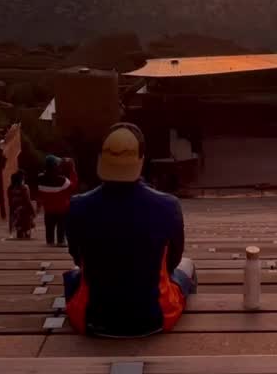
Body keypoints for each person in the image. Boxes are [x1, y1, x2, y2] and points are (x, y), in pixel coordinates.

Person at [64, 123, 196, 337]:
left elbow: (77, 257)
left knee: (75, 275)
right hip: (154, 319)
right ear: (141, 159)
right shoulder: (168, 205)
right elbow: (173, 260)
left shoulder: (78, 205)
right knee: (187, 266)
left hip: (92, 320)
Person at [37, 155, 72, 246]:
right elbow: (72, 186)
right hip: (61, 210)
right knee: (61, 227)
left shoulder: (40, 179)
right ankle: (60, 241)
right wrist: (72, 168)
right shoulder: (63, 180)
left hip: (48, 210)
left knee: (49, 228)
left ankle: (50, 242)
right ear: (56, 166)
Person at [8, 170, 35, 239]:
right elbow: (27, 200)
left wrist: (11, 212)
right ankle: (27, 237)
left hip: (15, 211)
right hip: (25, 211)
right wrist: (32, 211)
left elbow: (10, 201)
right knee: (27, 229)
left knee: (19, 228)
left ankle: (20, 236)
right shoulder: (24, 188)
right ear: (21, 179)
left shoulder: (10, 188)